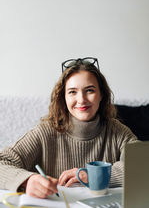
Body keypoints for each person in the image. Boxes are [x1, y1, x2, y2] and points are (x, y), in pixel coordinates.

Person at [0, 57, 137, 198]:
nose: (81, 99)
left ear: (101, 94)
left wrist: (91, 175)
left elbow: (144, 166)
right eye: (72, 92)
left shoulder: (118, 132)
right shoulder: (44, 132)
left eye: (89, 90)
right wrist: (27, 181)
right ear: (63, 98)